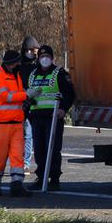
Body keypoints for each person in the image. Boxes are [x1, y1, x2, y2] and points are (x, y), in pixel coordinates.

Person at [0, 50, 40, 197]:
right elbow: (5, 97)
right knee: (0, 158)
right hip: (1, 124)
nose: (19, 64)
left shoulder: (15, 76)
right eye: (17, 62)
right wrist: (27, 94)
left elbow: (17, 94)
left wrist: (28, 96)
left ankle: (17, 186)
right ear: (10, 63)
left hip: (16, 123)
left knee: (18, 157)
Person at [27, 45, 76, 191]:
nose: (44, 59)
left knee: (53, 148)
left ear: (52, 58)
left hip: (53, 117)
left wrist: (63, 109)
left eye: (47, 56)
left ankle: (54, 179)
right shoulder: (33, 74)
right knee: (39, 149)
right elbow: (28, 95)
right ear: (38, 58)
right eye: (42, 56)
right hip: (36, 117)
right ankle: (41, 178)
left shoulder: (59, 73)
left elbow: (70, 94)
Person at [18, 35, 40, 173]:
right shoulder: (19, 65)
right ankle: (22, 161)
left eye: (35, 50)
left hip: (36, 102)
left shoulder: (39, 64)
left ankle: (25, 161)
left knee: (29, 133)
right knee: (24, 133)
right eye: (30, 50)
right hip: (22, 100)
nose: (32, 53)